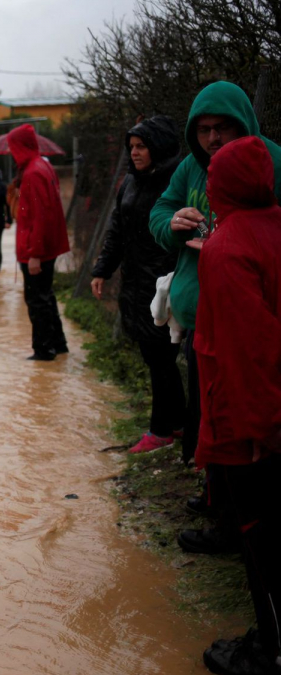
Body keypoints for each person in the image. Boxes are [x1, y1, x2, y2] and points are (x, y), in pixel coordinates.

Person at [148, 81, 281, 555]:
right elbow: (159, 212)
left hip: (246, 327)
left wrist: (230, 241)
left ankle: (241, 528)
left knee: (243, 430)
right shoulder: (190, 167)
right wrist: (173, 223)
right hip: (201, 323)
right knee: (210, 423)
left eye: (221, 127)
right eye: (203, 129)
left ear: (241, 122)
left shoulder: (268, 160)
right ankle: (218, 505)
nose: (212, 138)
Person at [191, 135, 281, 675]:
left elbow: (248, 353)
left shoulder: (227, 251)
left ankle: (269, 651)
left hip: (250, 426)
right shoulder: (273, 227)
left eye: (211, 177)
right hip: (265, 415)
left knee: (262, 539)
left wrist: (259, 437)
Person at [90, 116, 185, 454]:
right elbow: (117, 230)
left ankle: (160, 430)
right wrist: (102, 270)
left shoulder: (176, 180)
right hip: (136, 282)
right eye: (131, 147)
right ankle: (177, 422)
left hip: (166, 283)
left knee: (161, 356)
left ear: (157, 146)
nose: (135, 153)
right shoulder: (130, 183)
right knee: (154, 356)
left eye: (141, 146)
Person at [10, 123, 70, 361]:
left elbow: (41, 216)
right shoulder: (41, 166)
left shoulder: (34, 172)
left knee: (37, 301)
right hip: (44, 247)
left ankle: (44, 351)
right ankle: (59, 344)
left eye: (12, 148)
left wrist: (35, 253)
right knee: (46, 296)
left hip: (36, 250)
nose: (11, 153)